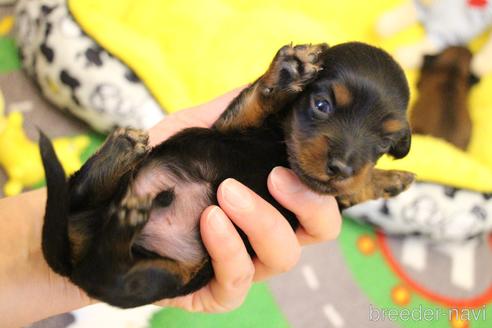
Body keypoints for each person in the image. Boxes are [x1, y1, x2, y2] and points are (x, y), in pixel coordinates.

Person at [0, 89, 342, 328]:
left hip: (128, 253)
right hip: (112, 226)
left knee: (90, 232)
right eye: (324, 105)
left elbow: (73, 256)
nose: (342, 156)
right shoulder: (282, 101)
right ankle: (113, 228)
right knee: (86, 218)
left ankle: (114, 233)